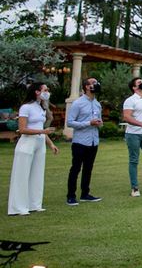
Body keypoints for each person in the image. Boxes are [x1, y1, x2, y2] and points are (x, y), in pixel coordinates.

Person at [8, 82, 59, 216]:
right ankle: (18, 207)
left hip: (40, 143)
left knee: (37, 174)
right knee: (22, 175)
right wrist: (43, 131)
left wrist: (51, 144)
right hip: (27, 143)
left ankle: (34, 204)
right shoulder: (26, 107)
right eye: (45, 90)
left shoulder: (41, 108)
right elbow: (23, 129)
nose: (47, 92)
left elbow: (41, 130)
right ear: (37, 92)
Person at [66, 77, 103, 206]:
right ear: (87, 87)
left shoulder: (97, 104)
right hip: (80, 142)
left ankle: (85, 194)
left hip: (93, 141)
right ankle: (71, 196)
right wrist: (88, 123)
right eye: (93, 83)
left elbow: (99, 120)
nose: (96, 84)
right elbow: (70, 122)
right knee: (76, 168)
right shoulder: (78, 103)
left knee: (88, 168)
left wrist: (99, 123)